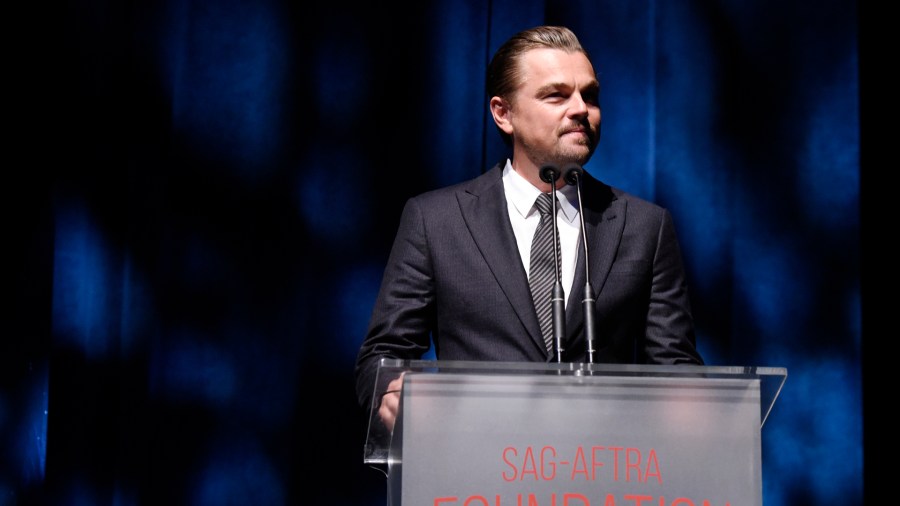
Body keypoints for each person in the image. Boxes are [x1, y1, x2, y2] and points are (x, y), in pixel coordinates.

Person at [354, 25, 703, 430]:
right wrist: (392, 392)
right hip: (474, 472)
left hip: (601, 473)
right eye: (557, 95)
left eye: (589, 96)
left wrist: (691, 408)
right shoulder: (436, 221)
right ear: (503, 114)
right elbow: (383, 356)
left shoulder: (645, 227)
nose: (580, 110)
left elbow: (677, 370)